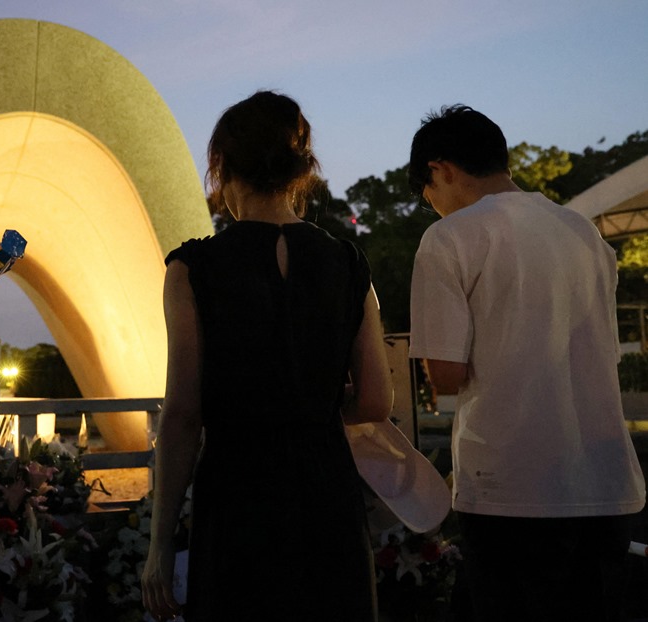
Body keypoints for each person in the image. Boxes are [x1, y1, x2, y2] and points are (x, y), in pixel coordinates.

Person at [140, 91, 393, 621]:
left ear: (222, 168)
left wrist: (161, 543)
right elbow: (375, 400)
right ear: (301, 169)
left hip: (237, 491)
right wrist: (315, 415)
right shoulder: (347, 263)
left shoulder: (193, 269)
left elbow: (183, 413)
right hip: (327, 492)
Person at [407, 104, 646, 622]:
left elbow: (445, 375)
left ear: (439, 170)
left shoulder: (449, 238)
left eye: (429, 197)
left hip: (512, 491)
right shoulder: (585, 234)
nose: (436, 208)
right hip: (606, 485)